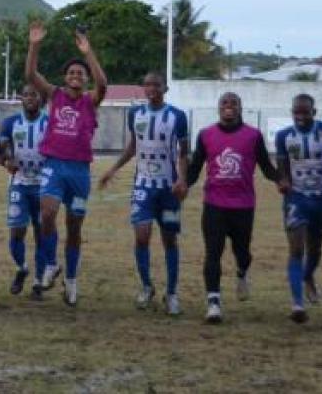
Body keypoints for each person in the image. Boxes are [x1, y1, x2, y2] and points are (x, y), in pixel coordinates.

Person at [24, 22, 108, 306]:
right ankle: (50, 264)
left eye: (80, 73)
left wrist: (87, 53)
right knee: (46, 214)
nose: (75, 76)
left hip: (80, 171)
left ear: (84, 79)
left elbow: (103, 84)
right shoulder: (55, 95)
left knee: (74, 229)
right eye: (71, 73)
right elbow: (30, 75)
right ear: (65, 78)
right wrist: (34, 45)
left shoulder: (90, 101)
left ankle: (71, 280)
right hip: (55, 166)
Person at [98, 72, 189, 316]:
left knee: (169, 238)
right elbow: (133, 145)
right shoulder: (134, 114)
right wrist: (113, 168)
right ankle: (147, 286)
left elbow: (183, 153)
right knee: (141, 236)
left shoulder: (177, 117)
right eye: (147, 84)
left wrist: (182, 179)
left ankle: (171, 293)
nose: (151, 88)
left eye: (155, 85)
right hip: (143, 186)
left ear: (165, 88)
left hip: (168, 189)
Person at [186, 92, 280, 324]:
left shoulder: (253, 136)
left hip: (243, 206)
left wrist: (282, 179)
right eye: (224, 103)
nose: (229, 107)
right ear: (218, 108)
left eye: (234, 104)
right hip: (214, 204)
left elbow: (267, 168)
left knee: (243, 253)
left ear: (241, 108)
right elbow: (195, 167)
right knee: (213, 253)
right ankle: (214, 302)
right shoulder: (206, 135)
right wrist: (182, 184)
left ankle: (242, 272)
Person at [274, 94, 322, 323]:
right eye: (296, 112)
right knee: (296, 248)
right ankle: (297, 304)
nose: (300, 116)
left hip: (321, 198)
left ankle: (308, 277)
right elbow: (282, 163)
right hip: (296, 199)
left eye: (305, 112)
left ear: (313, 112)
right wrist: (284, 180)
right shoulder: (283, 136)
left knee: (314, 249)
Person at [0, 85, 50, 298]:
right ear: (21, 98)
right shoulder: (10, 122)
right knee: (16, 232)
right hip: (19, 183)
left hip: (44, 186)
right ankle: (22, 268)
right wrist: (8, 158)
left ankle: (38, 282)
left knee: (41, 234)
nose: (30, 98)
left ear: (41, 99)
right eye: (26, 94)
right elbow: (3, 146)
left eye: (34, 95)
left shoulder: (50, 123)